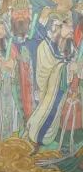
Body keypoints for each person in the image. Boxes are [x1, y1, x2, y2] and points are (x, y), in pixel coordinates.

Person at [27, 15, 76, 148]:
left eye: (72, 26)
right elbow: (44, 75)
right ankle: (38, 136)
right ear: (57, 27)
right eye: (68, 26)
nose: (72, 29)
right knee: (45, 113)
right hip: (48, 93)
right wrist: (66, 68)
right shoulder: (45, 47)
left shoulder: (70, 46)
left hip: (65, 92)